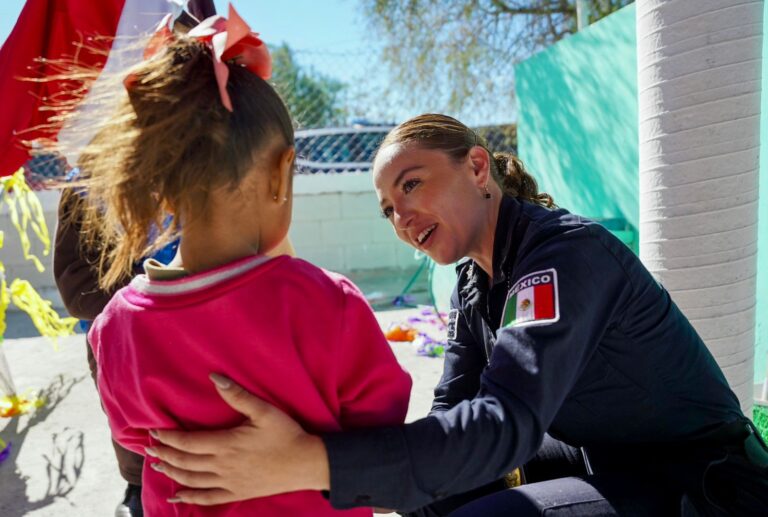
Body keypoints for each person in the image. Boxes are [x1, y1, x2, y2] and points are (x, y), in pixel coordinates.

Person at [146, 113, 768, 516]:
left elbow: (503, 423)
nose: (401, 217)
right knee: (428, 497)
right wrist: (324, 468)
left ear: (476, 167)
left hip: (696, 482)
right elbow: (452, 413)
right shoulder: (475, 281)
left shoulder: (564, 257)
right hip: (596, 454)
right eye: (387, 209)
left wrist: (308, 460)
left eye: (411, 185)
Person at [74, 10, 411, 517]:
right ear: (281, 171)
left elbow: (133, 436)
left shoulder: (116, 325)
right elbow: (382, 445)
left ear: (160, 182)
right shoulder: (327, 303)